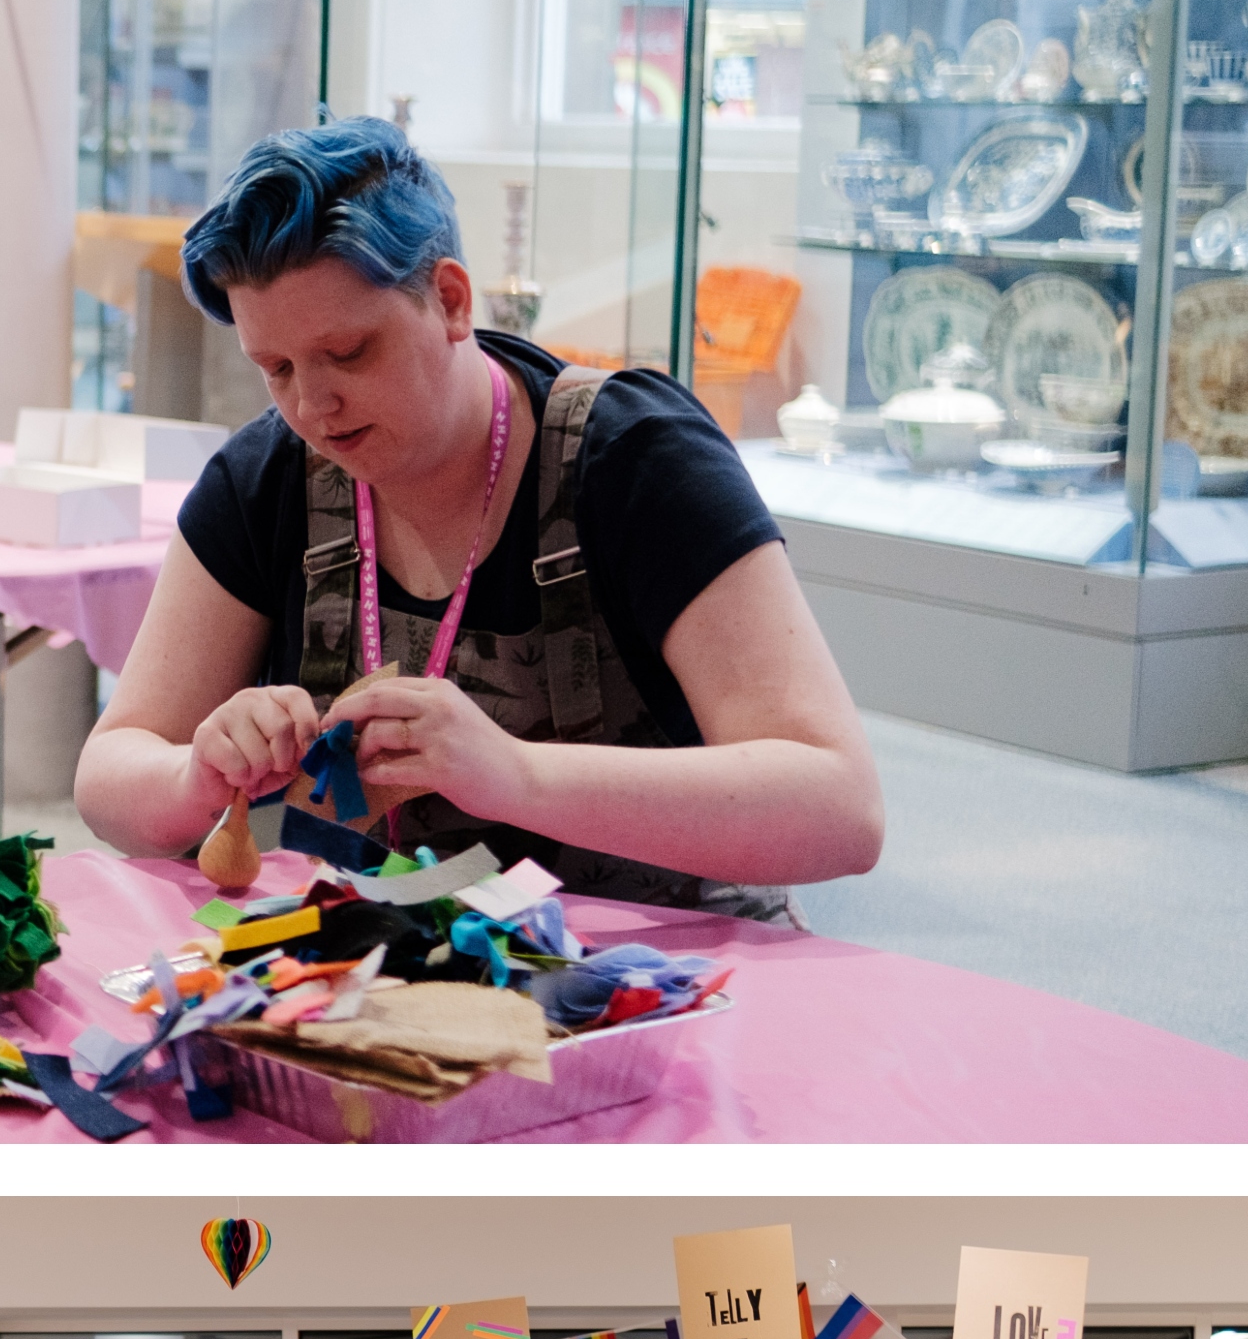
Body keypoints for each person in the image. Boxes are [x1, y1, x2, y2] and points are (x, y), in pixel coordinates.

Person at [73, 116, 880, 918]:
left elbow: (839, 810)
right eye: (275, 369)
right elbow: (109, 776)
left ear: (451, 300)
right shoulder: (265, 482)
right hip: (395, 985)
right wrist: (196, 776)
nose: (312, 407)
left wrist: (516, 774)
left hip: (674, 983)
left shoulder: (637, 461)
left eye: (349, 352)